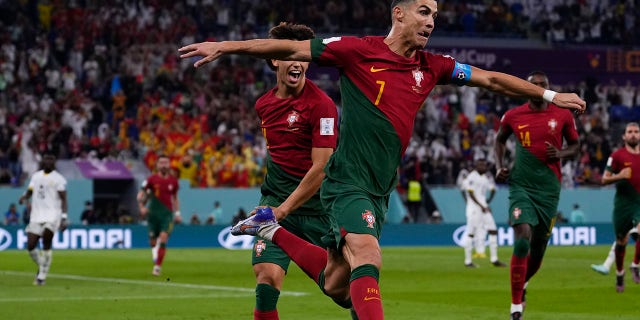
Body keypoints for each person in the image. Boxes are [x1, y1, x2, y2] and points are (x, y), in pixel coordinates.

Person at [180, 1, 585, 318]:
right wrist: (226, 46)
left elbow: (492, 79)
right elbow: (289, 47)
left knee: (337, 284)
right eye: (424, 12)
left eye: (436, 16)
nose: (431, 22)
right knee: (369, 255)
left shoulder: (433, 67)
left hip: (379, 190)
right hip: (346, 181)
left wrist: (548, 97)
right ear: (400, 14)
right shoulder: (358, 51)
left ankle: (271, 230)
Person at [231, 22, 340, 320]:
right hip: (275, 201)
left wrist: (283, 210)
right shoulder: (263, 104)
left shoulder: (322, 106)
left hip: (318, 209)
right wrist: (275, 208)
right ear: (274, 59)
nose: (297, 61)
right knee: (266, 277)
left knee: (342, 290)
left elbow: (322, 168)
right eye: (289, 54)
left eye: (302, 55)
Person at [495, 71, 580, 319]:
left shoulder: (562, 114)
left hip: (549, 189)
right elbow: (499, 140)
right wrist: (499, 165)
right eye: (535, 85)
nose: (540, 88)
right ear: (526, 88)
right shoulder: (513, 115)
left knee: (538, 249)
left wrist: (561, 154)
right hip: (520, 184)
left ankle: (523, 285)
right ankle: (515, 306)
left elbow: (575, 146)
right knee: (522, 237)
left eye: (544, 84)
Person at [599, 122, 640, 292]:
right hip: (623, 204)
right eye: (629, 132)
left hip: (639, 203)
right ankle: (619, 273)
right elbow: (604, 179)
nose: (633, 135)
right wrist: (620, 175)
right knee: (621, 242)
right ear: (624, 136)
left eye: (636, 132)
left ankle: (635, 265)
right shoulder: (617, 156)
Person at [18, 152, 68, 285]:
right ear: (43, 162)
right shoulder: (36, 176)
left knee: (46, 239)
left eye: (51, 160)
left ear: (54, 163)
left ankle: (42, 276)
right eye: (47, 159)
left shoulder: (59, 179)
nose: (49, 162)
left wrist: (63, 217)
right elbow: (30, 190)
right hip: (36, 215)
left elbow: (64, 199)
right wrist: (24, 197)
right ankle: (42, 265)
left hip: (52, 215)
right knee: (31, 245)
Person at [137, 154, 182, 276]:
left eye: (166, 163)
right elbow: (140, 195)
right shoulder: (151, 180)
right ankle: (155, 252)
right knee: (152, 241)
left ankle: (157, 267)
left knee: (163, 237)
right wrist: (142, 207)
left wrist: (177, 213)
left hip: (167, 214)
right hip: (152, 214)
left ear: (169, 164)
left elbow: (175, 198)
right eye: (161, 163)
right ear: (157, 165)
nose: (163, 165)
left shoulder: (173, 181)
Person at [462, 158, 505, 268]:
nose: (482, 167)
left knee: (493, 230)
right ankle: (468, 261)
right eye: (480, 165)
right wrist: (482, 206)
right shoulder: (472, 177)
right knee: (471, 233)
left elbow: (493, 190)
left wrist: (487, 202)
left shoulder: (485, 178)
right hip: (473, 208)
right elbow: (470, 194)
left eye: (484, 165)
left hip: (483, 207)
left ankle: (494, 259)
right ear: (476, 166)